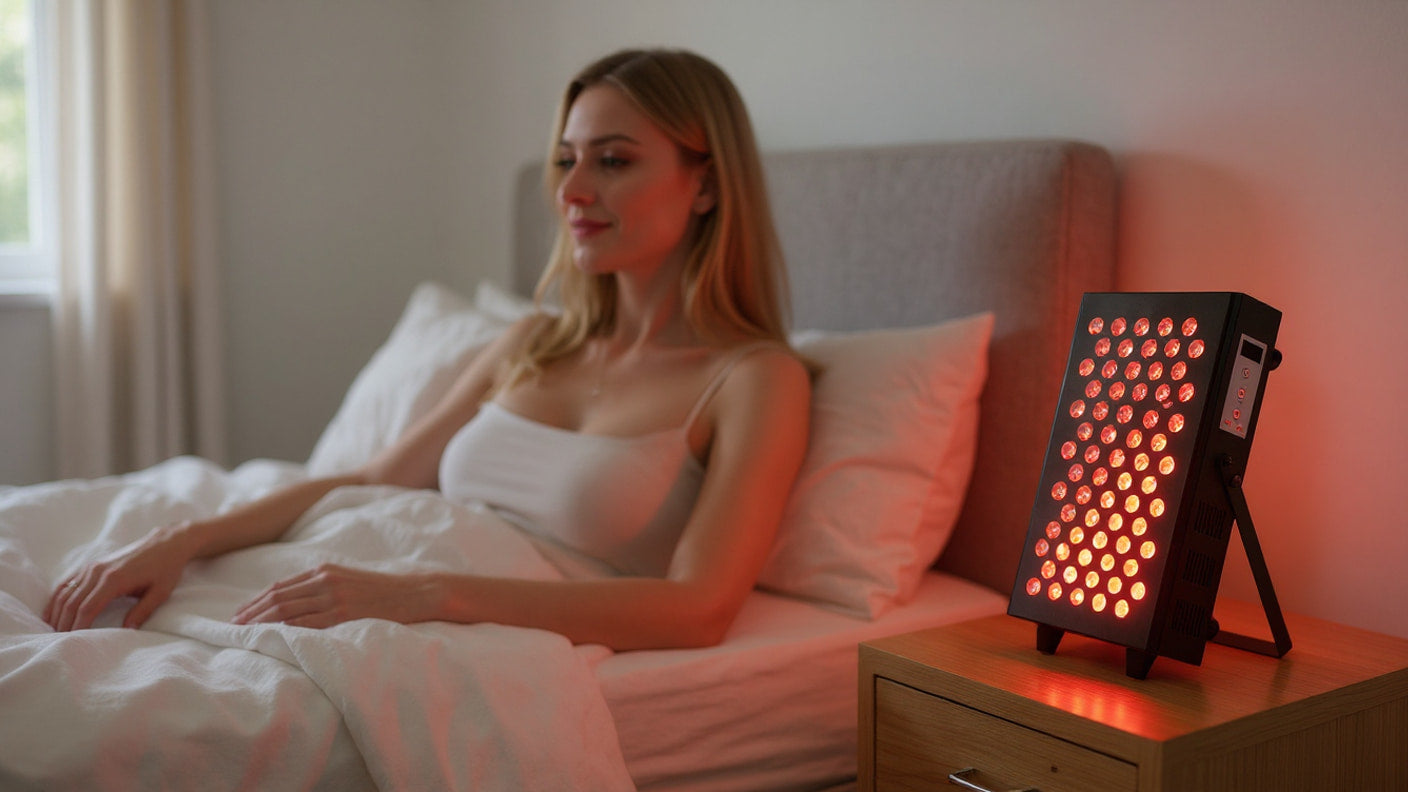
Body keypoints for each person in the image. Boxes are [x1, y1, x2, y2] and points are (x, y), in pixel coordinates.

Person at [42, 48, 811, 652]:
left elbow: (698, 610)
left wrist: (428, 596)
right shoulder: (535, 341)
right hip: (382, 569)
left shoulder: (753, 380)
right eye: (566, 159)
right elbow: (374, 478)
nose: (572, 191)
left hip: (442, 610)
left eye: (612, 160)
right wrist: (185, 540)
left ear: (706, 185)